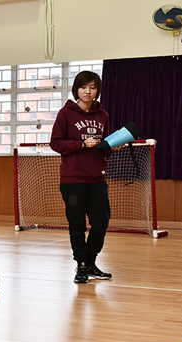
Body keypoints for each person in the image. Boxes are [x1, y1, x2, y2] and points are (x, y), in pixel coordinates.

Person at [49, 70, 113, 284]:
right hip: (72, 180)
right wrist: (82, 144)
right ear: (76, 89)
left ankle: (91, 262)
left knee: (101, 223)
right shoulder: (65, 113)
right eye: (84, 87)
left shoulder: (103, 115)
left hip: (97, 178)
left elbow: (105, 147)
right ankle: (81, 266)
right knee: (77, 225)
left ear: (97, 91)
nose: (88, 91)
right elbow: (56, 143)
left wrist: (110, 146)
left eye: (92, 87)